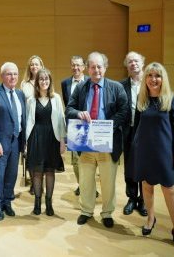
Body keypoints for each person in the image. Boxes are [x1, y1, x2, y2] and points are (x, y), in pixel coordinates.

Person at [129, 62, 174, 252]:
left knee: (169, 190)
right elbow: (136, 126)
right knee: (146, 186)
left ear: (163, 79)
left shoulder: (171, 98)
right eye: (150, 75)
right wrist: (134, 148)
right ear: (145, 79)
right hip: (144, 150)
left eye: (157, 76)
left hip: (164, 151)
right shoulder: (142, 100)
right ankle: (150, 218)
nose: (153, 79)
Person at [65, 51, 128, 228]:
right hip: (85, 143)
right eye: (92, 67)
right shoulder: (81, 88)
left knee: (107, 182)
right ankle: (86, 211)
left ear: (105, 68)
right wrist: (78, 113)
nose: (96, 70)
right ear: (88, 69)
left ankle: (107, 213)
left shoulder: (116, 87)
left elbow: (124, 112)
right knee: (85, 180)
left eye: (99, 66)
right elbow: (69, 109)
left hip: (107, 144)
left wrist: (106, 128)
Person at [0, 62, 26, 221]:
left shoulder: (20, 94)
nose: (12, 77)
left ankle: (8, 202)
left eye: (15, 74)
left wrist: (24, 141)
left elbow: (22, 119)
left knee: (12, 174)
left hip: (16, 141)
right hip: (0, 144)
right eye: (9, 74)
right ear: (2, 76)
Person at [26, 68, 66, 216]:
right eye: (41, 79)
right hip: (35, 138)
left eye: (46, 79)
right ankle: (37, 203)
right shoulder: (31, 100)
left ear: (50, 81)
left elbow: (61, 121)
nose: (44, 81)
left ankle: (49, 203)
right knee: (37, 172)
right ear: (37, 82)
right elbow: (27, 122)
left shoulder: (56, 98)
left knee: (50, 171)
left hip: (52, 138)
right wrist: (25, 142)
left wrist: (62, 140)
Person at [120, 51, 147, 216]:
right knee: (129, 166)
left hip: (146, 133)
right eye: (130, 62)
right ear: (127, 66)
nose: (133, 64)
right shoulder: (121, 85)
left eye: (136, 60)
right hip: (128, 131)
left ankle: (144, 200)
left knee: (144, 166)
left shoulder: (150, 82)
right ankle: (132, 198)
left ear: (142, 63)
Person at [61, 56, 89, 196]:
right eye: (73, 65)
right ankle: (81, 184)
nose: (75, 68)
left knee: (89, 158)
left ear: (84, 67)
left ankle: (90, 186)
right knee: (76, 160)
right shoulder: (65, 83)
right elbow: (68, 106)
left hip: (89, 125)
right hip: (74, 125)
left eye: (78, 65)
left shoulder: (90, 81)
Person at [20, 55, 45, 194]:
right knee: (30, 154)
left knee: (42, 155)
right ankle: (32, 182)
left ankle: (40, 183)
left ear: (41, 65)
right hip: (29, 123)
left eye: (36, 64)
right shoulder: (24, 84)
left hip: (43, 123)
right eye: (32, 64)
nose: (34, 67)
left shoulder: (45, 80)